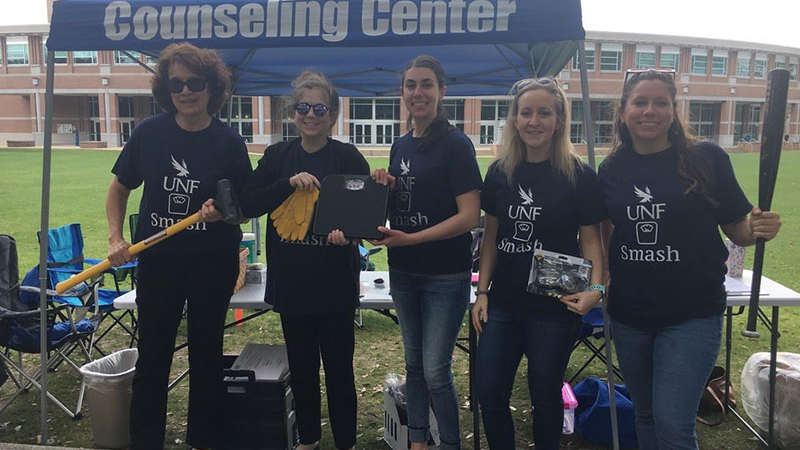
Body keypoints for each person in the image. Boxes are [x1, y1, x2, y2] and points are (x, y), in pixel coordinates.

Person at [597, 68, 782, 450]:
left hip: (691, 313)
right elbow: (606, 231)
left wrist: (758, 228)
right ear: (623, 110)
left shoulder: (706, 159)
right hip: (629, 313)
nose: (650, 111)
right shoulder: (611, 168)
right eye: (640, 102)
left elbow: (737, 228)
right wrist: (604, 275)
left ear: (674, 110)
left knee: (673, 422)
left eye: (660, 102)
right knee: (644, 413)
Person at [105, 43, 253, 450]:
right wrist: (117, 237)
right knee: (153, 358)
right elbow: (119, 189)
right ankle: (146, 442)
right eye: (176, 83)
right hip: (159, 264)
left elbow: (244, 209)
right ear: (165, 88)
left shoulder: (229, 142)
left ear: (213, 86)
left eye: (195, 82)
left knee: (207, 357)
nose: (186, 91)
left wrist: (225, 214)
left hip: (213, 264)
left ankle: (204, 440)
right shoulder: (148, 134)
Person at [470, 78, 607, 450]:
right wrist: (482, 291)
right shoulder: (500, 171)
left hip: (555, 308)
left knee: (545, 395)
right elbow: (492, 237)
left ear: (559, 120)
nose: (534, 121)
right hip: (504, 305)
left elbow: (592, 241)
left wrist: (596, 290)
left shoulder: (579, 176)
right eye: (525, 113)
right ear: (514, 120)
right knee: (490, 392)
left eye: (544, 112)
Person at [239, 71, 368, 450]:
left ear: (332, 115)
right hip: (293, 286)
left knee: (340, 371)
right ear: (293, 112)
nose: (310, 115)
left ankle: (346, 442)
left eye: (319, 109)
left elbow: (367, 217)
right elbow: (248, 203)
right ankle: (309, 439)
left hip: (335, 286)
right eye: (303, 108)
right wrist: (286, 184)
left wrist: (350, 233)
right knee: (304, 369)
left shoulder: (346, 156)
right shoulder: (278, 155)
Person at [371, 55, 482, 450]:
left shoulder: (456, 144)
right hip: (404, 272)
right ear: (402, 92)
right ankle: (417, 440)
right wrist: (379, 192)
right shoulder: (400, 145)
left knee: (436, 370)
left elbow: (470, 215)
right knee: (414, 367)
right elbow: (396, 208)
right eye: (410, 85)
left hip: (444, 276)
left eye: (426, 84)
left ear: (442, 91)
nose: (418, 92)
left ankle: (450, 443)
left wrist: (413, 239)